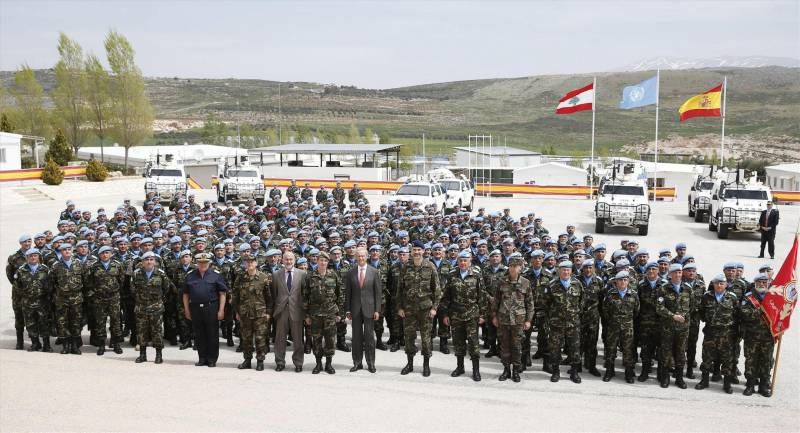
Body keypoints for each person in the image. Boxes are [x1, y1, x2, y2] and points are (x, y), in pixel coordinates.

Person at [397, 240, 440, 377]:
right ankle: (409, 364)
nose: (416, 252)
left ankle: (426, 365)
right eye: (414, 250)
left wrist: (434, 308)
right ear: (411, 251)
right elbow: (399, 289)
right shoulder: (406, 267)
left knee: (426, 338)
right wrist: (400, 307)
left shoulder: (430, 266)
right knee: (409, 337)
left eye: (419, 250)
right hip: (409, 309)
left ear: (423, 251)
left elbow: (437, 290)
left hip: (425, 310)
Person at [441, 250, 485, 381]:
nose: (462, 263)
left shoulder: (476, 275)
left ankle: (476, 370)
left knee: (473, 344)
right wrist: (445, 314)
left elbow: (482, 296)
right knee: (458, 343)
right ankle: (460, 367)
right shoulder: (452, 275)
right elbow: (446, 297)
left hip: (472, 315)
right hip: (456, 314)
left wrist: (482, 314)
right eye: (460, 260)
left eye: (465, 260)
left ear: (470, 261)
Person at [491, 255, 533, 382]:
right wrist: (494, 316)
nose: (513, 269)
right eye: (511, 266)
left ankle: (516, 370)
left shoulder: (526, 283)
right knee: (504, 346)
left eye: (516, 266)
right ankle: (506, 370)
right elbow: (496, 301)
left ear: (520, 268)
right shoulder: (501, 281)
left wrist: (528, 320)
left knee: (517, 347)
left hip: (519, 321)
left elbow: (530, 303)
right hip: (503, 320)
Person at [182, 253, 227, 367]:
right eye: (200, 262)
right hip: (196, 308)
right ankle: (202, 358)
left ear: (209, 263)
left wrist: (221, 310)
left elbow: (222, 293)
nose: (202, 264)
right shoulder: (190, 276)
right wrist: (187, 310)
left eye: (205, 262)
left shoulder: (216, 275)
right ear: (196, 263)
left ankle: (212, 359)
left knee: (212, 334)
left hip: (211, 307)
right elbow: (185, 294)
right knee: (199, 334)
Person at [695, 274, 738, 393]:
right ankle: (704, 381)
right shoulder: (706, 297)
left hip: (726, 334)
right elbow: (702, 312)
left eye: (722, 283)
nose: (719, 286)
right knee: (707, 357)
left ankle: (727, 384)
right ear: (713, 284)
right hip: (710, 333)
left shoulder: (732, 298)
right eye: (717, 283)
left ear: (726, 285)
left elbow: (736, 315)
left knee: (727, 359)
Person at [655, 264, 694, 389]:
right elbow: (659, 307)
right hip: (668, 327)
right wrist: (673, 316)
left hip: (683, 329)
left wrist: (683, 318)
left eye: (680, 272)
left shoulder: (688, 289)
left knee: (681, 353)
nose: (678, 275)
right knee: (666, 352)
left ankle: (679, 378)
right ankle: (665, 377)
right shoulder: (663, 289)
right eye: (675, 272)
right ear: (670, 274)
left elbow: (691, 307)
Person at [231, 255, 273, 371]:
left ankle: (260, 361)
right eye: (247, 262)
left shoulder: (264, 278)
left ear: (256, 263)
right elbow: (235, 296)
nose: (249, 263)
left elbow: (269, 297)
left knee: (260, 339)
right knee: (246, 338)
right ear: (244, 264)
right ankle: (247, 360)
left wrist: (268, 312)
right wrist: (237, 312)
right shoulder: (240, 278)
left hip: (260, 314)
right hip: (245, 314)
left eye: (252, 261)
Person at [303, 252, 342, 374]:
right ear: (317, 261)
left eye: (325, 261)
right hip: (315, 315)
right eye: (320, 260)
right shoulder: (310, 276)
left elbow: (340, 294)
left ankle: (329, 364)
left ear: (327, 262)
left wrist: (339, 313)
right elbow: (305, 297)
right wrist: (307, 315)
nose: (323, 263)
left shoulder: (333, 275)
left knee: (330, 340)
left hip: (330, 314)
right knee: (316, 339)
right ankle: (318, 364)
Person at [344, 247, 382, 373]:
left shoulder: (374, 272)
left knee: (369, 337)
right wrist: (347, 310)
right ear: (355, 258)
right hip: (355, 309)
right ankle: (357, 362)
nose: (360, 258)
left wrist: (377, 310)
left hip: (369, 309)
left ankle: (371, 363)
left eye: (362, 256)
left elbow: (378, 293)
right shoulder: (350, 273)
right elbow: (348, 293)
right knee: (356, 337)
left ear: (367, 257)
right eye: (358, 256)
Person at [132, 251, 173, 364]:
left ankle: (158, 355)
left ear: (154, 261)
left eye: (151, 259)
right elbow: (133, 289)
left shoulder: (161, 273)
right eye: (146, 260)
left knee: (157, 332)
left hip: (156, 308)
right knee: (141, 331)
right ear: (143, 262)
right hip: (141, 307)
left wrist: (158, 300)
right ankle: (142, 355)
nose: (149, 262)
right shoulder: (136, 274)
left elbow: (166, 288)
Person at [545, 260, 583, 383]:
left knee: (574, 348)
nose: (566, 272)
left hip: (573, 323)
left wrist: (575, 315)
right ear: (559, 271)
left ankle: (574, 372)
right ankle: (556, 372)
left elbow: (582, 302)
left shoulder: (577, 284)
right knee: (555, 349)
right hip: (557, 324)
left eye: (568, 270)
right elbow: (546, 304)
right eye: (563, 270)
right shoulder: (552, 285)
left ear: (571, 271)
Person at [271, 251, 308, 372]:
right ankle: (280, 362)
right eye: (286, 259)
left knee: (298, 339)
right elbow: (274, 294)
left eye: (291, 259)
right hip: (281, 311)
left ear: (294, 260)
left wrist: (305, 311)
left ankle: (298, 363)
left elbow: (305, 294)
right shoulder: (276, 274)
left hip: (296, 311)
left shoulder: (302, 274)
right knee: (280, 339)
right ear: (282, 260)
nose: (288, 261)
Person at [739, 273, 774, 397]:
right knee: (750, 361)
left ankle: (763, 386)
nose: (762, 284)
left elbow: (778, 315)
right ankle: (750, 385)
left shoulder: (773, 298)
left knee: (766, 361)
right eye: (760, 282)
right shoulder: (748, 297)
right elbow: (744, 313)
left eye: (765, 282)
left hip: (768, 337)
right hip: (751, 336)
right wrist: (761, 310)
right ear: (755, 283)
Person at [86, 246, 125, 355]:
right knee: (100, 322)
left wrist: (115, 291)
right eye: (102, 253)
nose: (105, 255)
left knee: (116, 321)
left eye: (107, 252)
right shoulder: (94, 266)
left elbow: (121, 280)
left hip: (114, 298)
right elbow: (89, 282)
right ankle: (101, 345)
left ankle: (116, 344)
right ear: (99, 255)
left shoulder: (117, 265)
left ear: (111, 254)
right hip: (99, 298)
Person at [602, 271, 639, 383]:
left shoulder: (633, 294)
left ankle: (628, 373)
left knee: (628, 351)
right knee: (611, 350)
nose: (623, 282)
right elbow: (605, 311)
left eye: (625, 280)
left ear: (628, 281)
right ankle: (609, 371)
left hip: (627, 328)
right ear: (616, 282)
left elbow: (636, 311)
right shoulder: (610, 294)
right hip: (613, 327)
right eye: (620, 280)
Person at [49, 243, 86, 355]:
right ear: (61, 252)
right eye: (64, 250)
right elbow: (51, 283)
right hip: (61, 300)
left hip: (76, 299)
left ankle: (75, 346)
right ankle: (65, 346)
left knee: (76, 323)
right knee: (62, 323)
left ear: (72, 251)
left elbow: (86, 281)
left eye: (69, 249)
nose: (67, 251)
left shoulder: (79, 264)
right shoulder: (55, 266)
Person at [13, 248, 52, 352]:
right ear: (27, 258)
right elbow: (17, 287)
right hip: (28, 302)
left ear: (39, 257)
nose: (33, 257)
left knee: (44, 323)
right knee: (30, 324)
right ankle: (35, 344)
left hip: (42, 302)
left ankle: (46, 345)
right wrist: (26, 295)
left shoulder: (45, 269)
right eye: (31, 256)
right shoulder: (21, 270)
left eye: (35, 255)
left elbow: (50, 285)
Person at [7, 234, 32, 350]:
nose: (27, 244)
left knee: (33, 317)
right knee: (19, 316)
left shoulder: (35, 255)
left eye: (29, 241)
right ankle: (20, 341)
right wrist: (19, 286)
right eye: (25, 242)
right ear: (20, 243)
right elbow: (10, 275)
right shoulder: (13, 258)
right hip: (18, 293)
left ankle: (34, 340)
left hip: (33, 292)